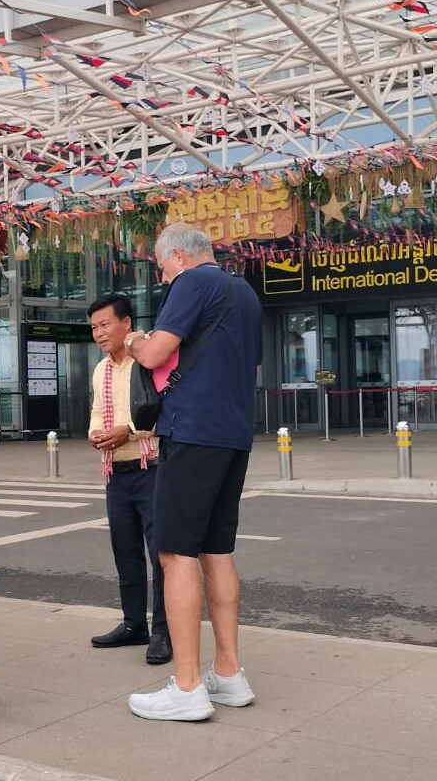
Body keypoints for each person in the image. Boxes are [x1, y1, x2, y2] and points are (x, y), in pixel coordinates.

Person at [124, 224, 262, 722]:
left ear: (178, 257)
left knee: (174, 552)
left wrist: (137, 341)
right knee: (216, 551)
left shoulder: (192, 283)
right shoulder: (244, 292)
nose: (163, 280)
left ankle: (185, 687)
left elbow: (158, 352)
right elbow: (252, 369)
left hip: (192, 432)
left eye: (162, 269)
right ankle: (228, 675)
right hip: (234, 434)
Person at [87, 293, 170, 665]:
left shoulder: (149, 359)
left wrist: (130, 431)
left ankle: (164, 633)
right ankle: (134, 624)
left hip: (150, 468)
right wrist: (95, 433)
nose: (99, 333)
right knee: (126, 553)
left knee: (162, 556)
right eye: (93, 328)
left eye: (105, 325)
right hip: (115, 471)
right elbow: (96, 412)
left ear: (126, 323)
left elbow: (163, 411)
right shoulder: (100, 370)